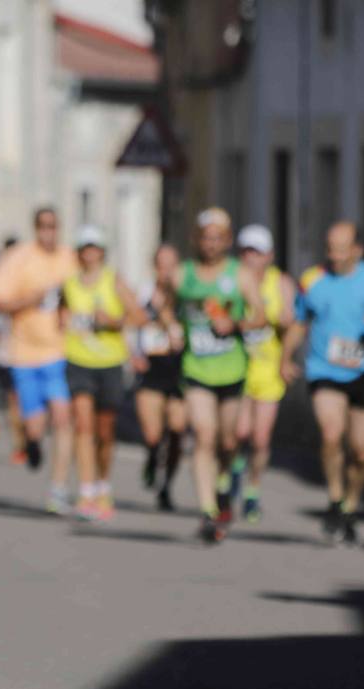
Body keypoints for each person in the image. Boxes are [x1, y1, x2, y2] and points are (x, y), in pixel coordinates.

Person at [280, 221, 364, 545]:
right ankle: (334, 497)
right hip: (324, 370)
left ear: (358, 250)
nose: (333, 256)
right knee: (332, 434)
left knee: (361, 451)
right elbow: (299, 323)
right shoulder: (313, 279)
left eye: (341, 250)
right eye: (330, 248)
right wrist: (285, 358)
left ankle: (350, 505)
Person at [161, 208, 263, 543]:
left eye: (219, 238)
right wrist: (172, 325)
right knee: (203, 435)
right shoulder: (183, 273)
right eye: (206, 237)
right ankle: (207, 510)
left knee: (228, 441)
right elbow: (163, 303)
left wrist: (235, 324)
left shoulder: (240, 275)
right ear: (197, 239)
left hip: (232, 369)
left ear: (227, 241)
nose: (212, 244)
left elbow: (261, 316)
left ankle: (222, 483)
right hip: (197, 369)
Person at [0, 207, 78, 513]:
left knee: (64, 418)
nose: (48, 232)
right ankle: (33, 443)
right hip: (24, 354)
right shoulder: (20, 259)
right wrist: (30, 299)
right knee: (36, 426)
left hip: (60, 352)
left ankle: (59, 488)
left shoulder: (70, 258)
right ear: (35, 228)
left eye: (53, 226)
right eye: (43, 226)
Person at [61, 225, 142, 521]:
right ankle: (86, 492)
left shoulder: (114, 281)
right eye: (85, 248)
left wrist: (113, 320)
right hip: (78, 360)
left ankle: (103, 485)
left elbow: (138, 316)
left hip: (109, 363)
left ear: (102, 252)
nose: (90, 254)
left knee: (105, 431)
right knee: (83, 426)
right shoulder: (69, 284)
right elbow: (60, 316)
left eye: (95, 248)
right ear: (79, 253)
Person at [231, 225, 296, 522]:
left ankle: (252, 491)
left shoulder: (280, 283)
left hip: (268, 368)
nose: (250, 257)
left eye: (256, 252)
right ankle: (231, 474)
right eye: (246, 251)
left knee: (260, 438)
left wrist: (286, 356)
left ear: (268, 255)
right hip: (238, 366)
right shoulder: (232, 281)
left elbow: (292, 325)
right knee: (238, 433)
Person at [131, 244, 186, 511]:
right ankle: (153, 459)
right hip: (150, 366)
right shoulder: (143, 292)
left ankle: (166, 486)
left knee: (177, 431)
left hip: (180, 368)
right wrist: (133, 354)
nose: (166, 271)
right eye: (161, 265)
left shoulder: (187, 294)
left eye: (171, 265)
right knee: (153, 435)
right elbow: (131, 322)